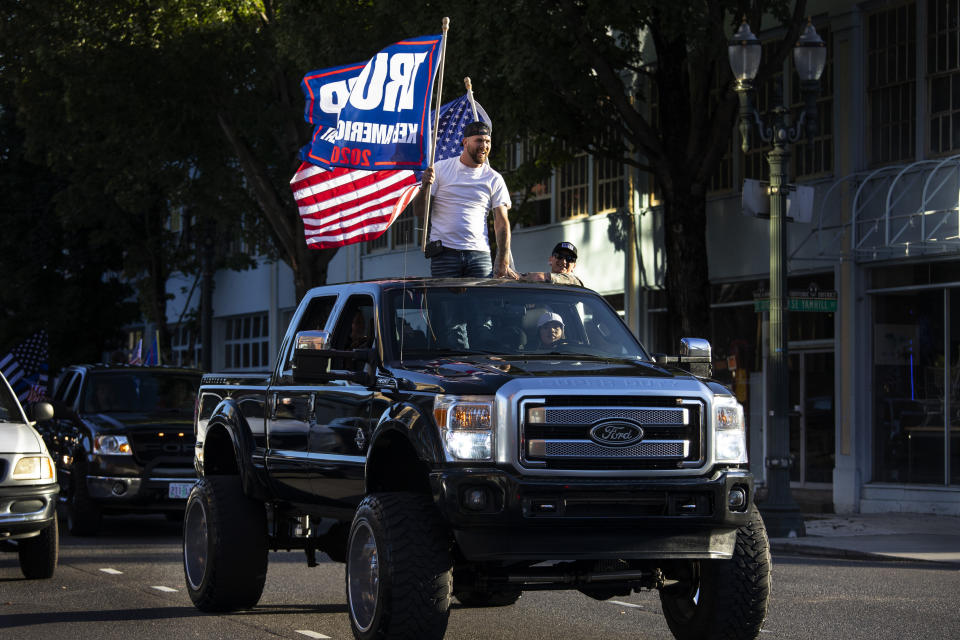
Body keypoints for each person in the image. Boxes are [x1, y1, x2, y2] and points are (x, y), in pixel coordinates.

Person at [414, 121, 518, 279]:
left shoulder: (494, 178)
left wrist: (502, 259)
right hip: (444, 253)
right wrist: (424, 187)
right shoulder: (440, 169)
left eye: (487, 141)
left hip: (479, 255)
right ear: (465, 142)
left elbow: (502, 222)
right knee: (445, 303)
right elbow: (419, 212)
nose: (484, 146)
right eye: (479, 140)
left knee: (480, 303)